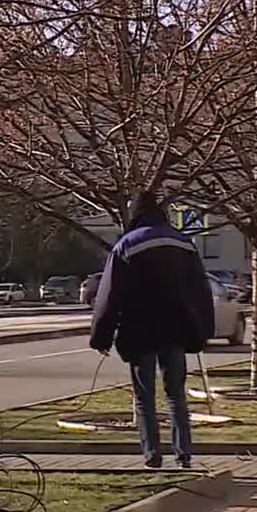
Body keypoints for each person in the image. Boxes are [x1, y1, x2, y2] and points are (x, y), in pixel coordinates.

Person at [90, 192, 215, 469]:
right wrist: (203, 329)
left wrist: (101, 336)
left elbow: (109, 295)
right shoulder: (184, 243)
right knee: (176, 394)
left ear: (135, 214)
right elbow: (200, 290)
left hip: (139, 332)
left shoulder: (126, 246)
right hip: (176, 331)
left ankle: (152, 456)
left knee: (144, 398)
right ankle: (183, 455)